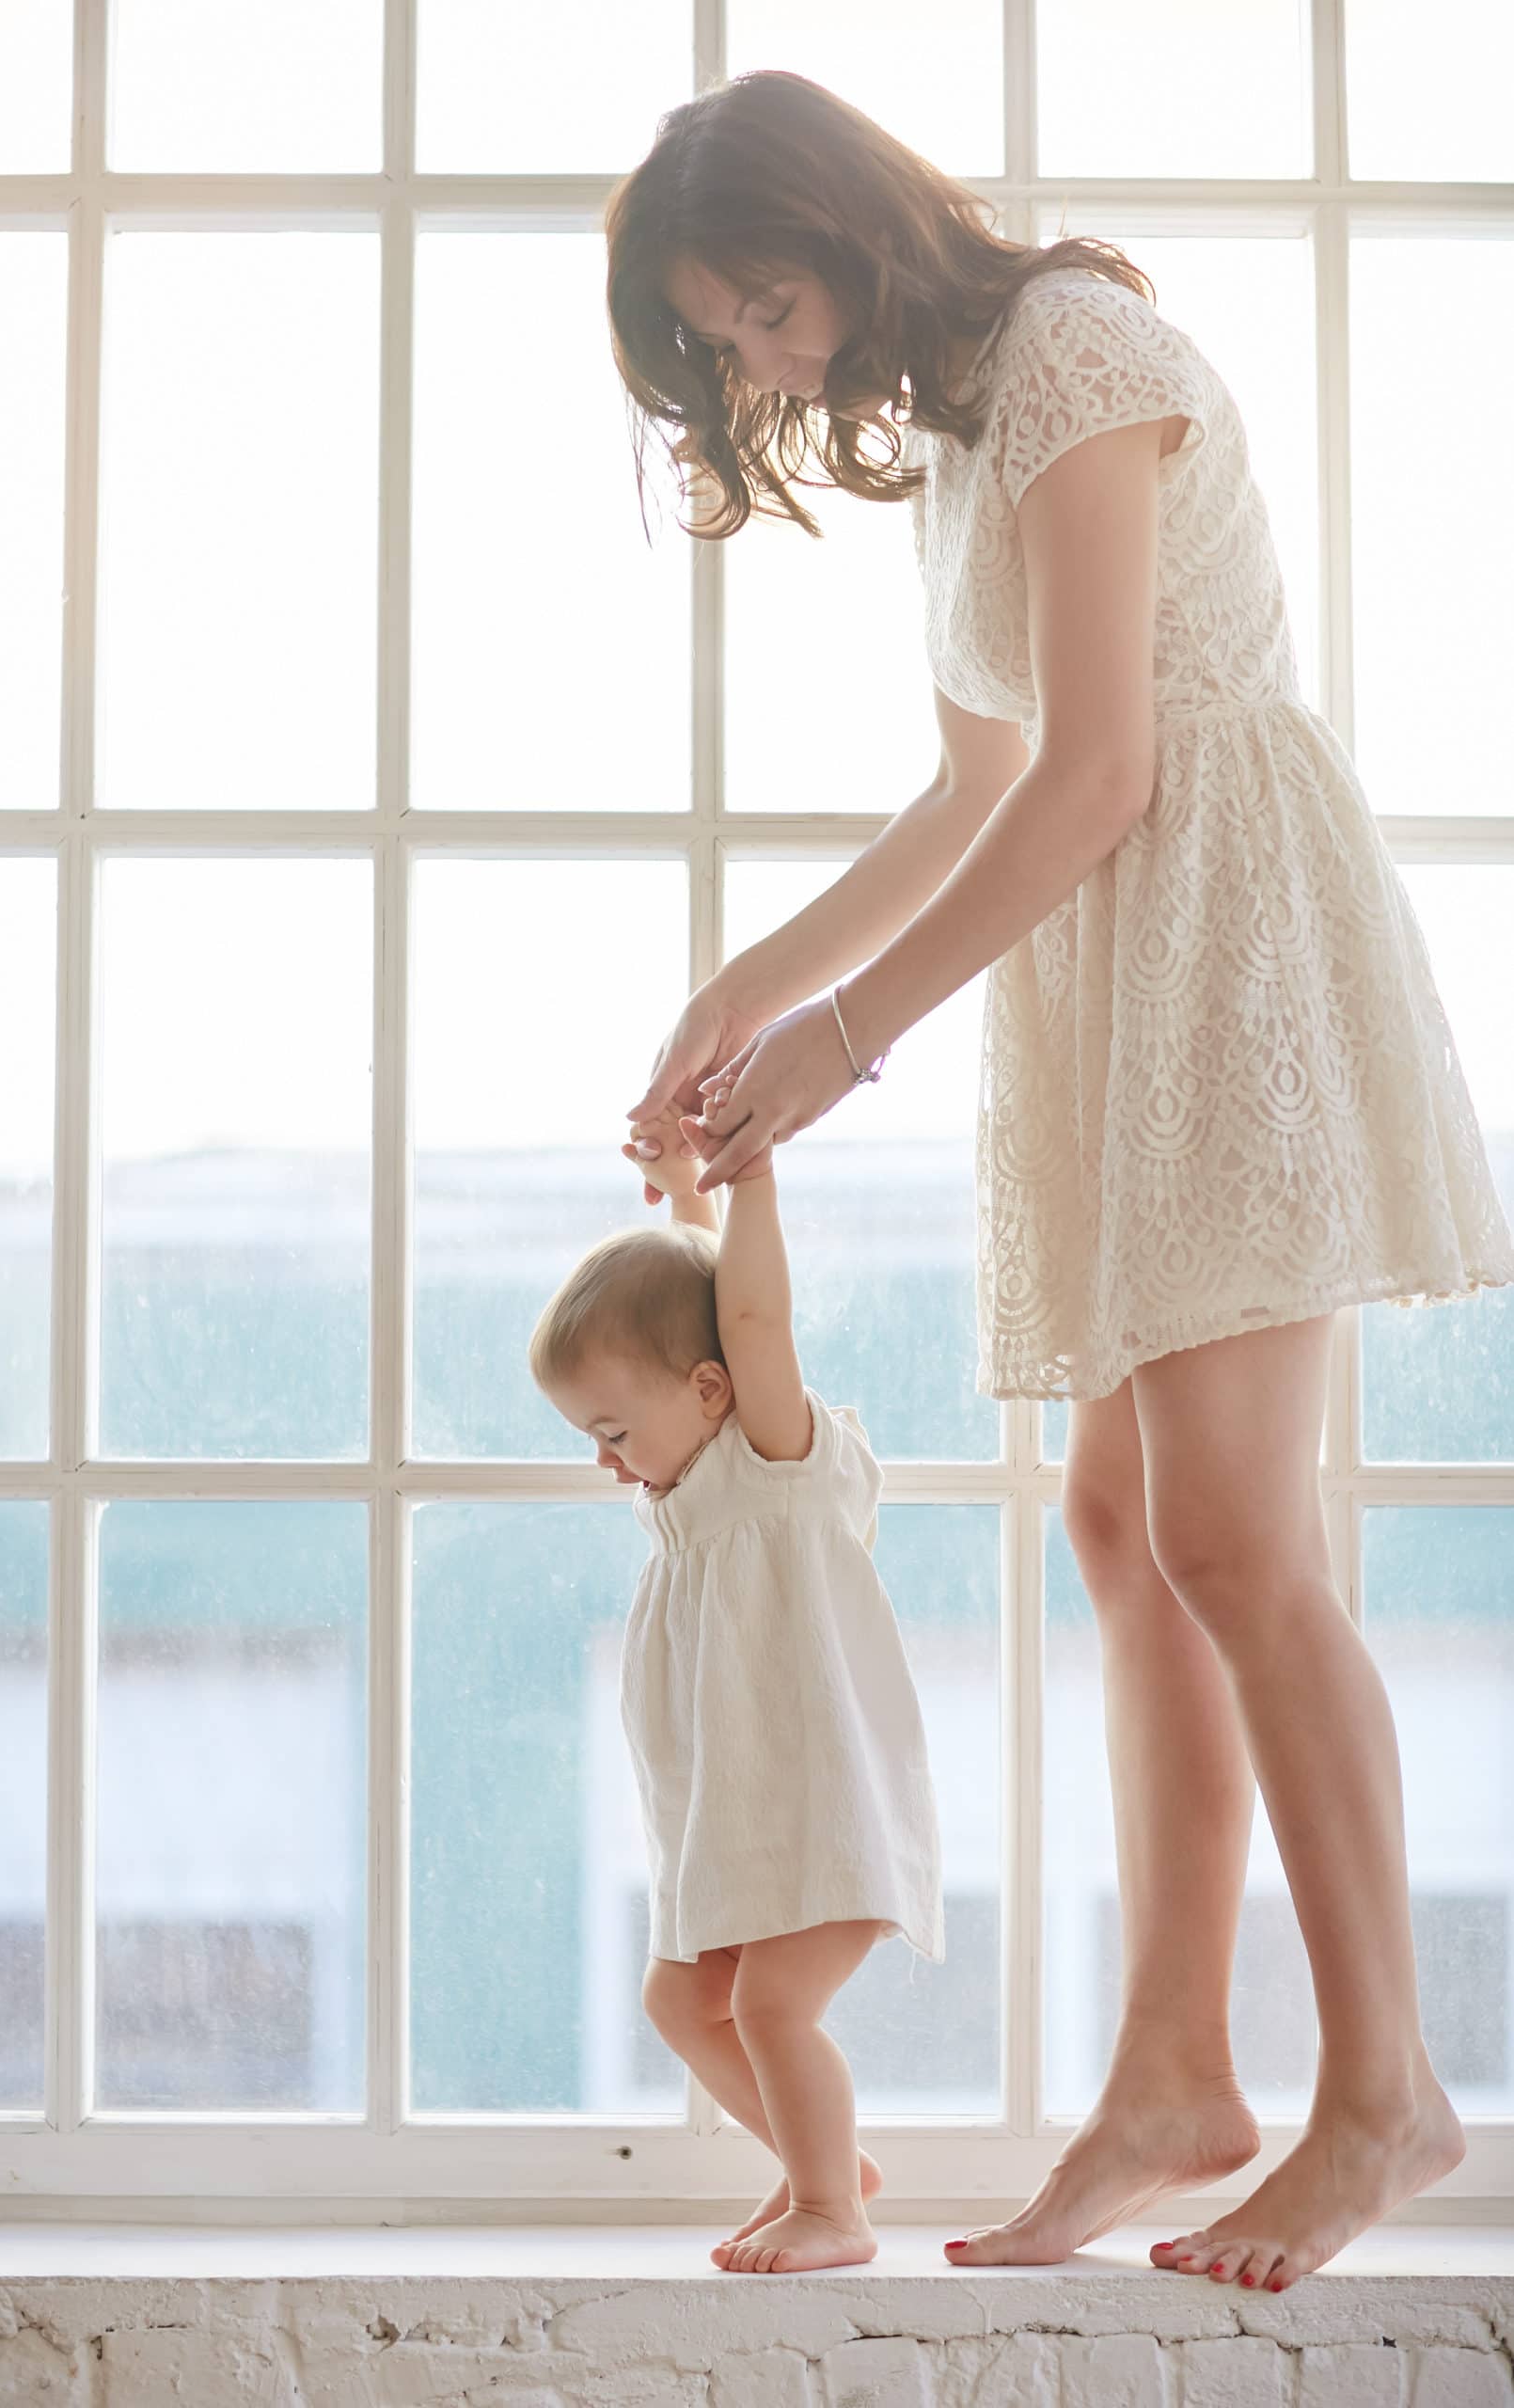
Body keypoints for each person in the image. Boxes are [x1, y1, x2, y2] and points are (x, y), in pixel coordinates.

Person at [604, 69, 1514, 2290]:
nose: (763, 366)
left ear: (842, 223)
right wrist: (749, 985)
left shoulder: (1078, 354)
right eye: (726, 346)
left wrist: (844, 1040)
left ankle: (1380, 2087)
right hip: (1117, 976)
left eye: (761, 307)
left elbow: (1107, 767)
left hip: (1224, 948)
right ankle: (1171, 2071)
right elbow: (975, 787)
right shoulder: (958, 430)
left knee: (1225, 1527)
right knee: (1120, 1524)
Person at [528, 1098, 944, 2274]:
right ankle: (827, 2164)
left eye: (612, 1430)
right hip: (737, 1814)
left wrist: (749, 1177)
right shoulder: (703, 1480)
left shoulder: (775, 1460)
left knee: (769, 2009)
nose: (608, 1462)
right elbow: (708, 1308)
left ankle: (835, 2211)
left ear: (713, 1393)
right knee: (680, 2002)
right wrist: (681, 1193)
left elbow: (749, 1314)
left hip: (823, 1804)